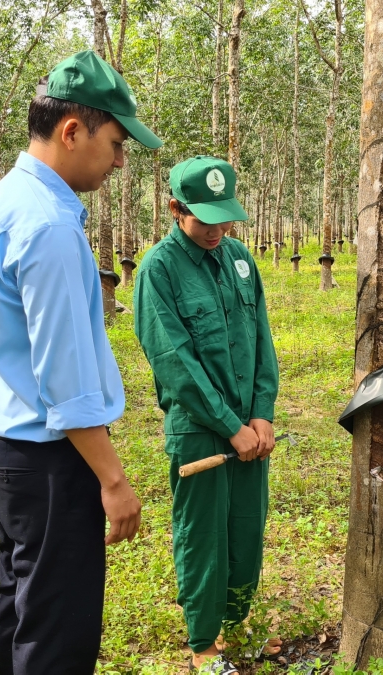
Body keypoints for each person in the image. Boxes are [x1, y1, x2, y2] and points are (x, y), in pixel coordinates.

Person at [0, 50, 162, 674]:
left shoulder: (10, 198)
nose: (120, 160)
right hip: (54, 459)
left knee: (22, 604)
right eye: (115, 141)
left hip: (10, 448)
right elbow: (64, 377)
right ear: (73, 131)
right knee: (57, 631)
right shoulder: (47, 224)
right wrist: (112, 480)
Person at [133, 156, 280, 675]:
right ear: (175, 208)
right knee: (204, 536)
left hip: (250, 430)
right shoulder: (159, 270)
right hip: (201, 432)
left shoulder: (240, 259)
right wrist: (230, 427)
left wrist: (261, 414)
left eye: (225, 218)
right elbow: (175, 363)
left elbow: (261, 336)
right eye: (204, 218)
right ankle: (204, 645)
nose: (217, 230)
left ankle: (236, 624)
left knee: (245, 527)